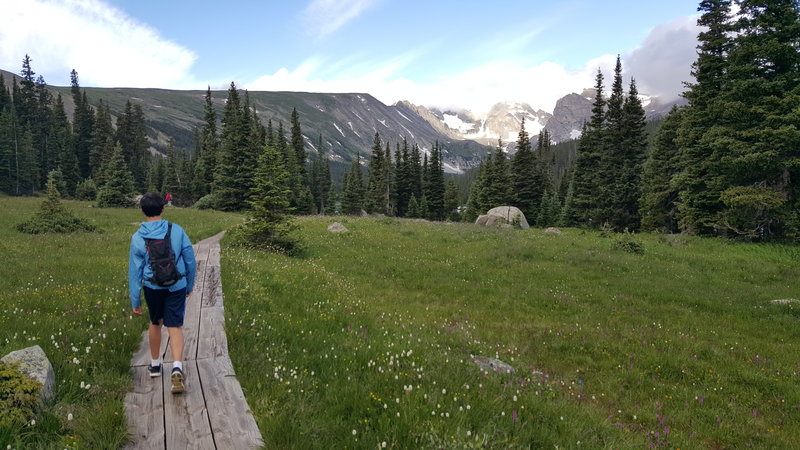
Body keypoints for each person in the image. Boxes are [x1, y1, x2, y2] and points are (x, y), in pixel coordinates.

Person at [128, 193, 196, 394]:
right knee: (175, 326)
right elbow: (190, 259)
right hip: (177, 284)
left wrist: (135, 298)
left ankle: (156, 365)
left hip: (152, 286)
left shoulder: (138, 237)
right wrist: (189, 284)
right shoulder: (177, 230)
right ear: (163, 209)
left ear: (142, 211)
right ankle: (177, 367)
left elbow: (135, 270)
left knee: (155, 322)